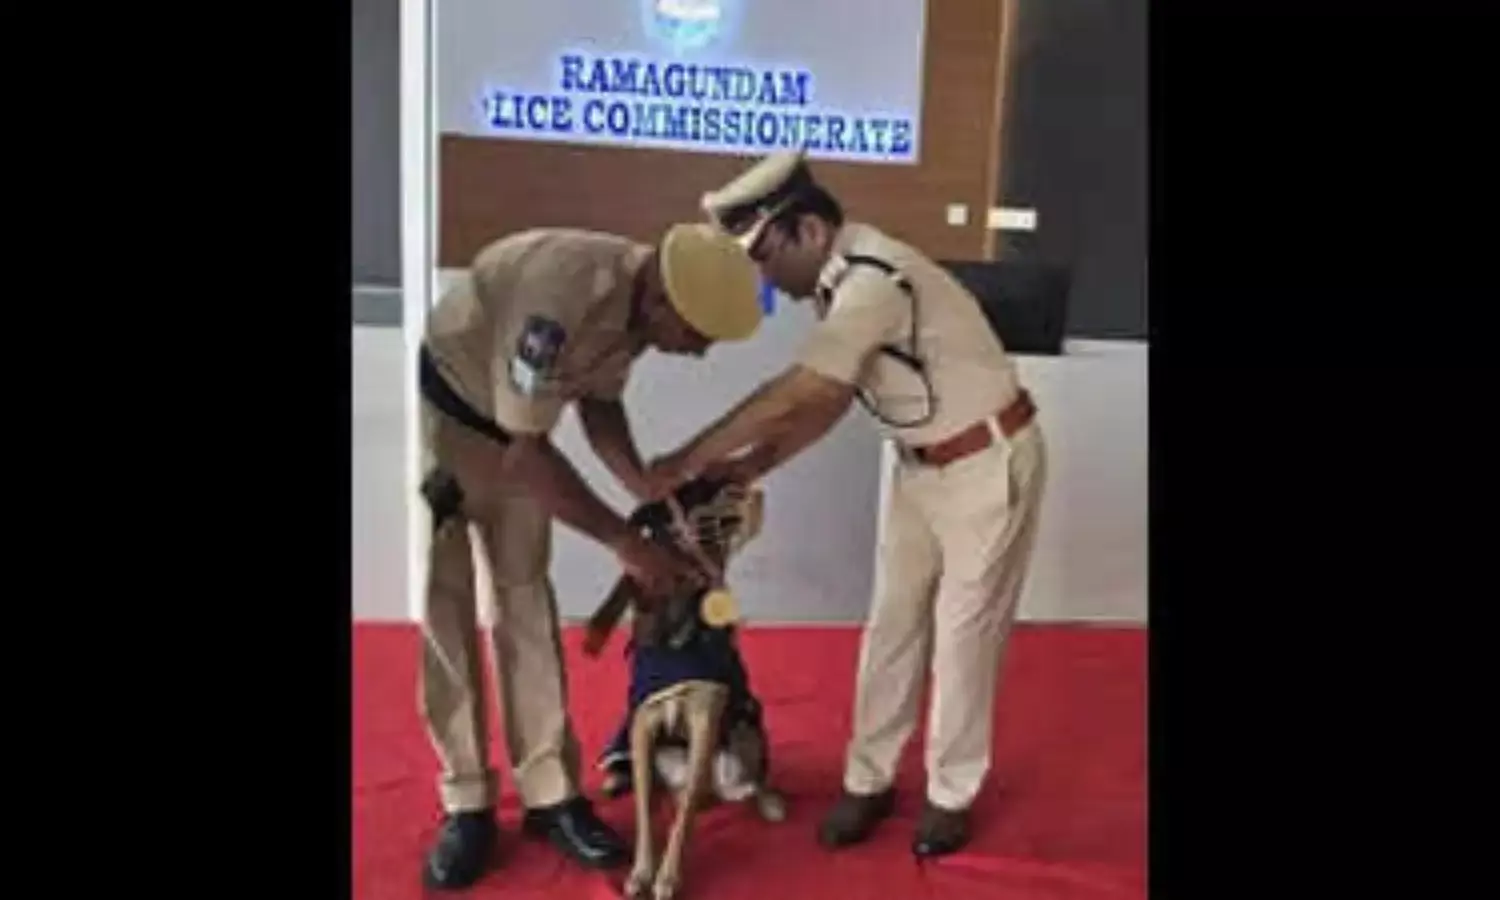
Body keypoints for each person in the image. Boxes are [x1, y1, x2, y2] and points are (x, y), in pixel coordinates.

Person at [646, 151, 1049, 858]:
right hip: (918, 467)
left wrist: (689, 455)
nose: (765, 278)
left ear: (808, 230)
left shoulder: (875, 279)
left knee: (964, 637)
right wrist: (752, 464)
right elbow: (830, 399)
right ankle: (869, 779)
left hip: (987, 464)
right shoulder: (836, 288)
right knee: (892, 625)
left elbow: (801, 389)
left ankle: (950, 793)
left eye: (765, 256)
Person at [415, 222, 764, 889]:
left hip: (520, 435)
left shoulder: (635, 310)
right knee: (449, 605)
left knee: (525, 595)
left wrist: (645, 487)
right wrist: (624, 543)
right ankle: (468, 802)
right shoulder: (558, 297)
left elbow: (599, 405)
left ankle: (550, 794)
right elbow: (526, 456)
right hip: (456, 422)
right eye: (698, 337)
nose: (698, 354)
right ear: (663, 300)